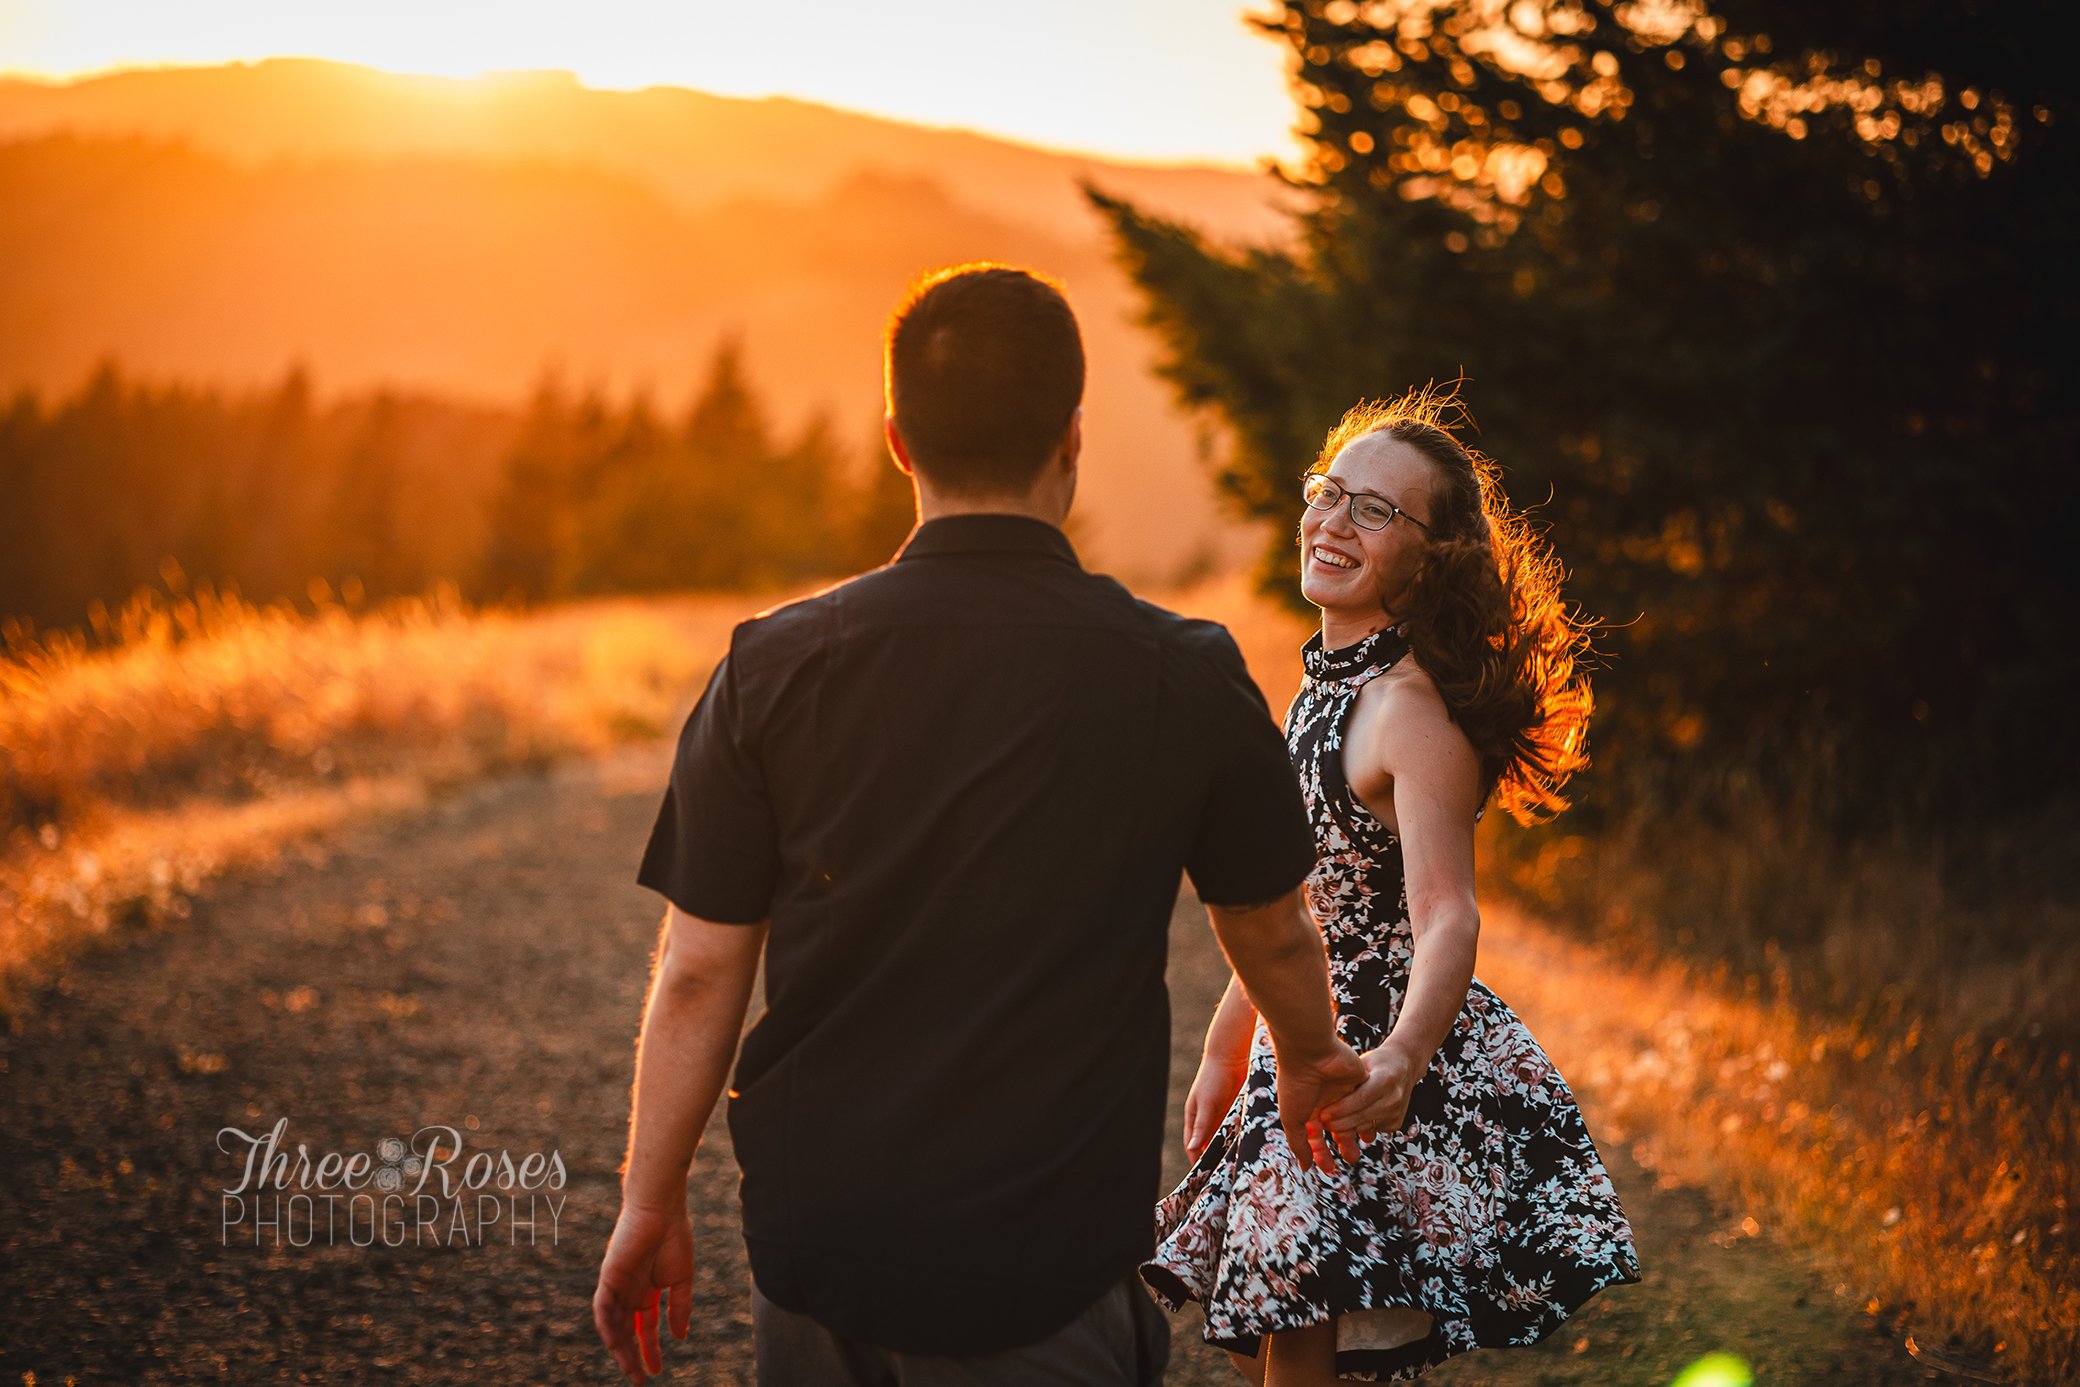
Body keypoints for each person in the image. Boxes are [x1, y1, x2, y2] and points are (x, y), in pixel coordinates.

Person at [591, 262, 1367, 1387]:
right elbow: (1274, 929)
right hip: (1047, 1261)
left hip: (824, 1248)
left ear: (898, 440)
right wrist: (1309, 1057)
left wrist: (649, 1200)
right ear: (1074, 437)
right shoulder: (1183, 674)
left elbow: (702, 973)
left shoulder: (772, 665)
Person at [1143, 388, 1642, 1384]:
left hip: (1367, 1065)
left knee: (1315, 1342)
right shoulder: (1321, 687)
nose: (1332, 520)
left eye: (1374, 510)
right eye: (1327, 493)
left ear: (1431, 557)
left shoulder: (1408, 712)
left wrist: (1404, 1056)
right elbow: (1300, 902)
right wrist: (1221, 1047)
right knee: (1274, 1330)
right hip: (1301, 1049)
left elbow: (1447, 913)